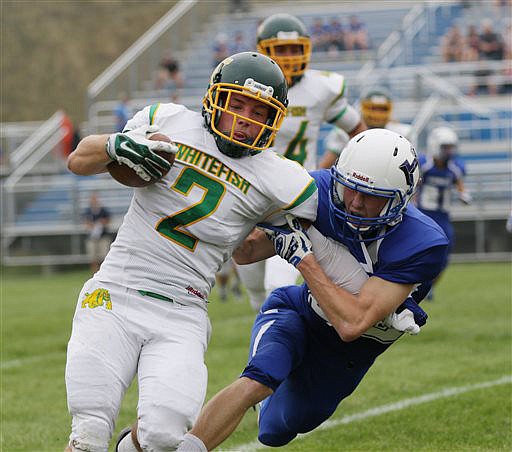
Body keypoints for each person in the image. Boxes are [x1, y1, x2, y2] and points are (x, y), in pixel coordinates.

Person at [64, 52, 319, 452]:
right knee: (89, 432)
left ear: (275, 119)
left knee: (164, 437)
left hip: (183, 310)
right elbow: (79, 160)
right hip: (115, 292)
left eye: (258, 110)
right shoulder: (167, 121)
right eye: (237, 104)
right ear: (214, 99)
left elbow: (258, 248)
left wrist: (278, 241)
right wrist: (116, 145)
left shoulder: (283, 179)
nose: (245, 118)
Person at [176, 129, 449, 451]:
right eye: (350, 189)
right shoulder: (316, 191)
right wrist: (247, 209)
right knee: (260, 377)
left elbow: (351, 324)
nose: (356, 203)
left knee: (277, 430)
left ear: (400, 199)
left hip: (347, 352)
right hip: (299, 310)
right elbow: (246, 252)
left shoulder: (422, 243)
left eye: (372, 196)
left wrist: (304, 258)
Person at [237, 13, 367, 312]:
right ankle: (267, 329)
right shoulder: (245, 86)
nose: (289, 56)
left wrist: (355, 170)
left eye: (295, 48)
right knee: (253, 282)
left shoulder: (321, 88)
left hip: (293, 195)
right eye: (281, 49)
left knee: (277, 285)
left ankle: (282, 335)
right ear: (262, 49)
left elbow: (358, 129)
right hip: (248, 190)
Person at [416, 126, 471, 297]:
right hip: (424, 214)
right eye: (445, 147)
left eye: (451, 147)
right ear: (435, 146)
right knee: (420, 252)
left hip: (443, 217)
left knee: (445, 256)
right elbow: (413, 185)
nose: (449, 151)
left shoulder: (454, 168)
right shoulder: (424, 165)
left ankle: (429, 286)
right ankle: (417, 284)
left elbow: (460, 183)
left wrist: (463, 194)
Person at [319, 87, 415, 169]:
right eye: (373, 108)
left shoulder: (401, 133)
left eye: (382, 109)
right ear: (362, 108)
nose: (377, 113)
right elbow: (325, 166)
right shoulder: (345, 132)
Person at [82, 193, 111, 273]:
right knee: (93, 257)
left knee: (104, 256)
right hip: (91, 237)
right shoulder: (87, 211)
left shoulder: (103, 210)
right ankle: (94, 273)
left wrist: (101, 223)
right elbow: (86, 223)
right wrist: (91, 225)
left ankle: (104, 273)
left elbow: (108, 220)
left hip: (103, 237)